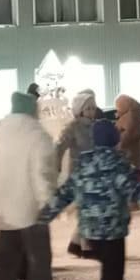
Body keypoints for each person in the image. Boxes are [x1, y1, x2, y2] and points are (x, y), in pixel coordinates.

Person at [39, 119, 140, 280]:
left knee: (113, 270)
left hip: (90, 230)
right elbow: (134, 190)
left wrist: (46, 213)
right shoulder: (117, 164)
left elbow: (65, 192)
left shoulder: (83, 165)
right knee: (111, 274)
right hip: (112, 229)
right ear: (113, 139)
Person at [0, 91, 60, 280]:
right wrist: (49, 203)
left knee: (7, 262)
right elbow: (42, 176)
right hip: (30, 211)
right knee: (39, 263)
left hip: (3, 209)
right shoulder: (38, 136)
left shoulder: (0, 133)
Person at [56, 89, 99, 259]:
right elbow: (59, 146)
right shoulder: (72, 127)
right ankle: (87, 247)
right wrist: (56, 163)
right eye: (88, 108)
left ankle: (75, 243)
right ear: (79, 109)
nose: (91, 111)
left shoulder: (96, 127)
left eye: (93, 108)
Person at [114, 93, 140, 162]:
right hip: (135, 150)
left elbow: (128, 134)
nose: (117, 109)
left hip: (128, 152)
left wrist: (118, 144)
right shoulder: (135, 114)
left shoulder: (130, 117)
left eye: (118, 107)